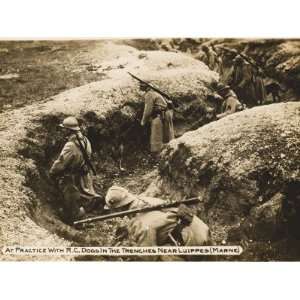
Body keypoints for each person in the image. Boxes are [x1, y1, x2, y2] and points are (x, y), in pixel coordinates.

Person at [105, 185, 210, 261]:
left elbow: (149, 257)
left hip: (193, 244)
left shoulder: (140, 223)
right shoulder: (146, 200)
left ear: (119, 209)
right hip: (202, 231)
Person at [49, 116, 102, 224]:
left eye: (64, 129)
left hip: (73, 176)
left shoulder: (70, 145)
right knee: (86, 192)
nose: (62, 131)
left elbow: (61, 163)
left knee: (69, 194)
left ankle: (75, 215)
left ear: (68, 130)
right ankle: (91, 202)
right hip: (84, 174)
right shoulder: (86, 140)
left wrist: (52, 172)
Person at [140, 82, 174, 154]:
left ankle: (157, 153)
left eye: (141, 85)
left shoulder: (149, 94)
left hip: (160, 116)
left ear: (146, 87)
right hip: (167, 113)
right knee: (167, 135)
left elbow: (148, 111)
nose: (140, 87)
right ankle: (169, 151)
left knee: (156, 136)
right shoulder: (155, 93)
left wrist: (143, 122)